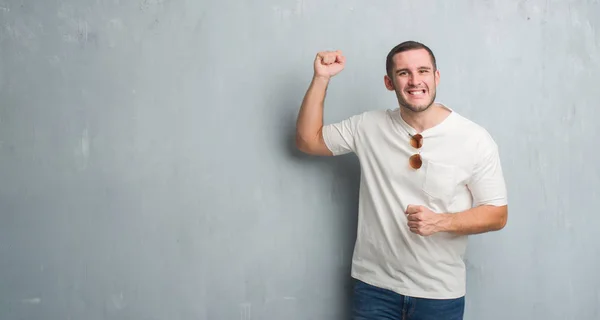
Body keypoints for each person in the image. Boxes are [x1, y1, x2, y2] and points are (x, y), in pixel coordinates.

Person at [295, 41, 508, 320]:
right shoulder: (367, 127)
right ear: (389, 82)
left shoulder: (474, 139)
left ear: (436, 77)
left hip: (438, 292)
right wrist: (321, 79)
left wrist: (441, 221)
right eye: (404, 73)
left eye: (423, 71)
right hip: (374, 288)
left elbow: (497, 214)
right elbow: (307, 140)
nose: (415, 80)